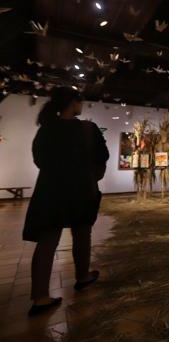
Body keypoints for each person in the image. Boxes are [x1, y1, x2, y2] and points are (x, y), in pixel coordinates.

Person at [23, 87, 109, 316]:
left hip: (50, 190)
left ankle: (40, 297)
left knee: (47, 242)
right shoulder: (87, 129)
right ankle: (83, 277)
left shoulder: (45, 130)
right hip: (81, 189)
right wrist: (90, 177)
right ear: (73, 103)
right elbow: (102, 157)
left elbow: (38, 159)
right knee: (82, 234)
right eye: (79, 101)